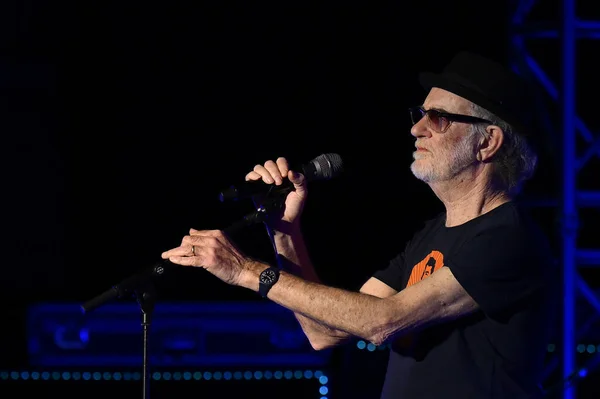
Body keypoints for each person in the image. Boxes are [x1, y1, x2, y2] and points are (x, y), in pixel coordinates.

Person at [161, 51, 557, 398]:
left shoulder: (509, 236)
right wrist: (285, 233)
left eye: (436, 118)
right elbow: (324, 333)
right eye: (420, 115)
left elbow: (382, 322)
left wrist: (245, 271)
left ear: (487, 142)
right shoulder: (430, 235)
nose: (416, 128)